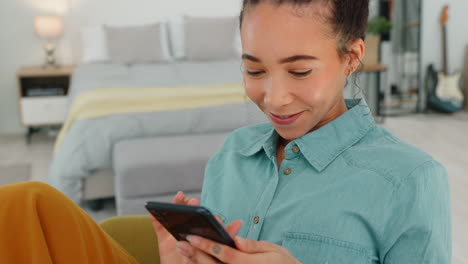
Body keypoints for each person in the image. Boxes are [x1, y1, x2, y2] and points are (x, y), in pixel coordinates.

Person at [0, 0, 451, 263]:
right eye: (253, 69)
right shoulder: (233, 154)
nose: (273, 99)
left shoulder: (410, 180)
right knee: (23, 207)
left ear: (352, 56)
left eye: (298, 71)